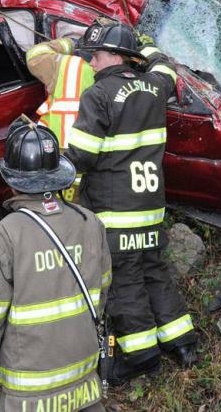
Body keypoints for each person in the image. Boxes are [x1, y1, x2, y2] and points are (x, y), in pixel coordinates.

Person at [67, 20, 197, 383]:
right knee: (155, 273)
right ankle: (183, 344)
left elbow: (83, 155)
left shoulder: (98, 96)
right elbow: (166, 65)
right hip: (151, 209)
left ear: (113, 56)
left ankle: (142, 358)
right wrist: (147, 43)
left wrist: (50, 162)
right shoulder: (155, 86)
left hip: (115, 212)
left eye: (94, 56)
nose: (90, 64)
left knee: (124, 284)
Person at [0, 122, 111, 411]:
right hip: (84, 382)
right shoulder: (89, 222)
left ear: (12, 180)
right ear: (59, 176)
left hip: (28, 393)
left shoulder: (8, 234)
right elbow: (102, 293)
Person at [25, 36, 95, 203]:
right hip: (90, 145)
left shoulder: (63, 65)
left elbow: (34, 55)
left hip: (57, 143)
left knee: (56, 194)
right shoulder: (116, 68)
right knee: (81, 197)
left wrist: (69, 43)